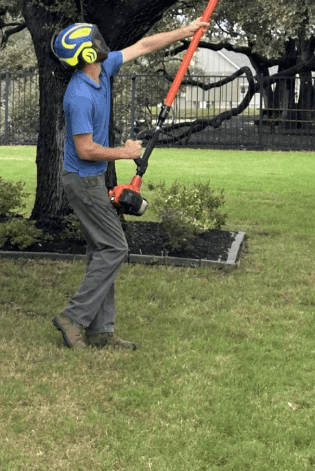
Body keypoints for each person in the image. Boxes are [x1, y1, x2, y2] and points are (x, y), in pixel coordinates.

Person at [50, 19, 208, 350]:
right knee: (115, 248)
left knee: (101, 251)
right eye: (96, 38)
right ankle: (73, 318)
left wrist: (188, 31)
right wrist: (124, 152)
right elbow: (85, 149)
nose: (102, 40)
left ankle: (101, 332)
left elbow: (143, 46)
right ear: (88, 52)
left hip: (91, 179)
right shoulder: (78, 95)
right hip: (82, 182)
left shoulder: (103, 68)